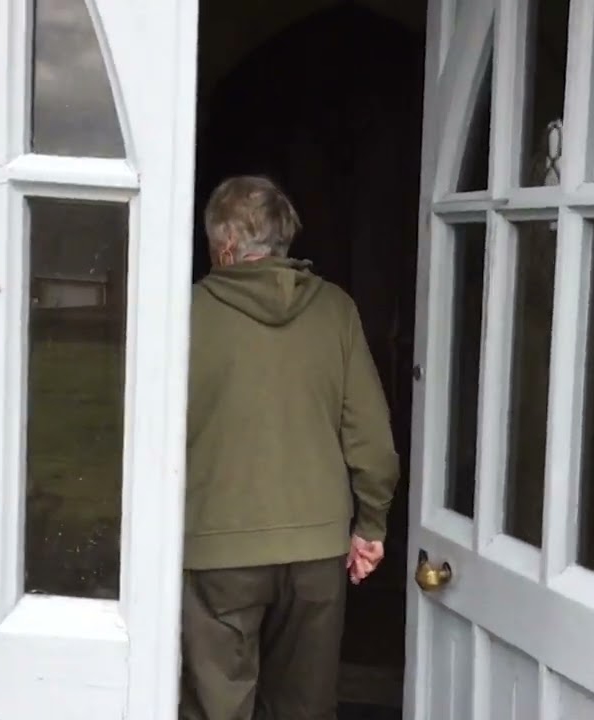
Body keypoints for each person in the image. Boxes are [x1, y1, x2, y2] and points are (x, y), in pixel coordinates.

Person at [182, 175, 401, 720]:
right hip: (316, 552)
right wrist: (370, 527)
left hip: (215, 552)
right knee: (304, 709)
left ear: (225, 246)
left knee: (215, 709)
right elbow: (373, 440)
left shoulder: (183, 314)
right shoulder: (336, 311)